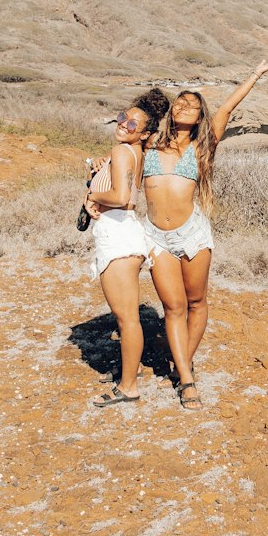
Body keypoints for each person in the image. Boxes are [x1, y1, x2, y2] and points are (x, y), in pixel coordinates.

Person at [143, 59, 268, 410]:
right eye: (181, 102)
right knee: (172, 307)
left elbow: (228, 106)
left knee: (196, 302)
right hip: (155, 236)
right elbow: (121, 157)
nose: (186, 107)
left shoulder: (203, 146)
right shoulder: (149, 145)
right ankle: (187, 381)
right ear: (171, 110)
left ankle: (182, 365)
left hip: (192, 233)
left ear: (200, 115)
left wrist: (255, 74)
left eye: (193, 105)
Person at [83, 87, 169, 406]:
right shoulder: (134, 153)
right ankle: (129, 373)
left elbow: (120, 197)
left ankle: (129, 386)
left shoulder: (122, 152)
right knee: (126, 316)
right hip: (124, 232)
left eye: (134, 124)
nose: (124, 125)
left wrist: (93, 196)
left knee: (126, 318)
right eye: (123, 117)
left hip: (118, 235)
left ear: (144, 133)